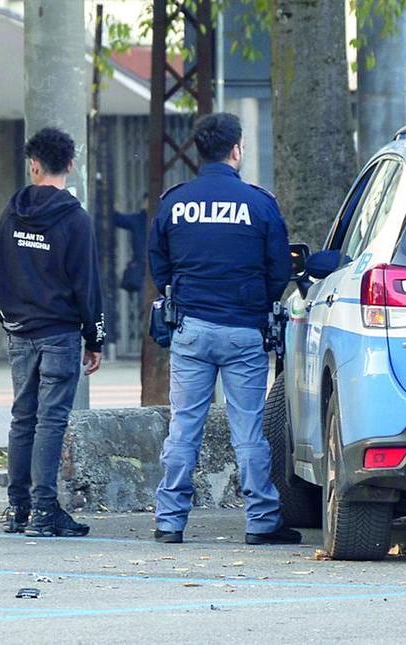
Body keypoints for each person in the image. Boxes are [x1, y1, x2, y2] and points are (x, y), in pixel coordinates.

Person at [148, 113, 298, 545]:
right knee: (247, 429)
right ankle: (261, 521)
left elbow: (160, 266)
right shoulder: (258, 202)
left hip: (190, 330)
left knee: (184, 426)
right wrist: (254, 304)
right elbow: (278, 270)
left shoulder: (176, 201)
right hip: (243, 332)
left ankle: (170, 522)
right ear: (237, 149)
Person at [0, 127, 105, 537]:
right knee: (51, 420)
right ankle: (44, 510)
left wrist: (9, 317)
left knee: (23, 417)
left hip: (19, 331)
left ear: (33, 165)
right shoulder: (75, 218)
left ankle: (17, 509)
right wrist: (95, 339)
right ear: (70, 165)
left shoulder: (12, 210)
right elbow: (87, 285)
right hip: (59, 332)